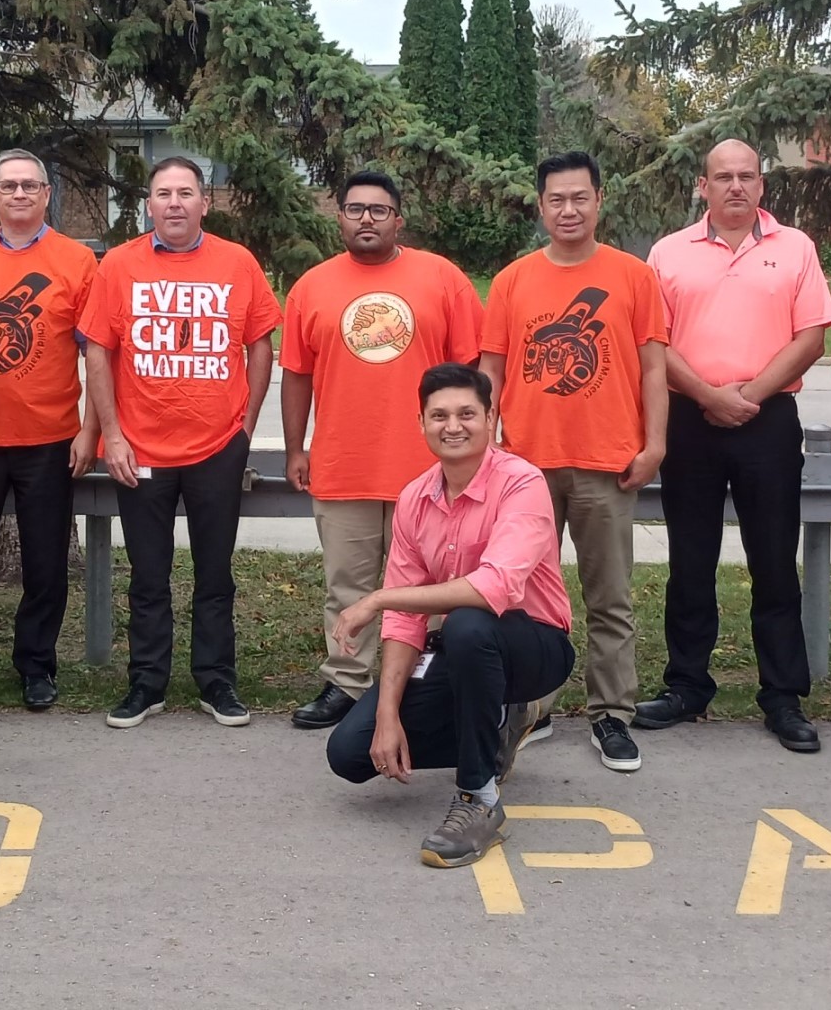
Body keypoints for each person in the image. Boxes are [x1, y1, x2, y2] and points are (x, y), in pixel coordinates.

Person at [325, 364, 575, 869]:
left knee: (467, 622)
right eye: (438, 415)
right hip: (466, 653)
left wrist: (377, 599)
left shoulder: (522, 483)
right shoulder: (416, 498)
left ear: (491, 418)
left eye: (466, 413)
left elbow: (494, 587)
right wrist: (388, 715)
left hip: (537, 648)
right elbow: (404, 622)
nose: (452, 425)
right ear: (421, 423)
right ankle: (499, 722)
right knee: (350, 753)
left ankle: (478, 798)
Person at [635, 139, 831, 753]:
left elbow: (811, 339)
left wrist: (746, 395)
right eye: (722, 177)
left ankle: (782, 696)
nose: (735, 187)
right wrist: (709, 396)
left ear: (762, 185)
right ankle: (687, 687)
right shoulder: (668, 253)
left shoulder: (795, 248)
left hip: (768, 419)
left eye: (746, 176)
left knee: (774, 561)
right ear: (703, 186)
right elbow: (653, 345)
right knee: (690, 562)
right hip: (691, 420)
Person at [479, 151, 667, 774]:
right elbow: (492, 371)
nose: (568, 210)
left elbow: (653, 369)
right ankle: (532, 707)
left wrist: (655, 444)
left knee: (609, 596)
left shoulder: (634, 277)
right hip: (525, 467)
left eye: (579, 197)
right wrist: (488, 448)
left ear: (599, 199)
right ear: (541, 205)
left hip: (607, 461)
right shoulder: (512, 281)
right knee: (522, 598)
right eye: (557, 199)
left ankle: (611, 712)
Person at [81, 156, 283, 730]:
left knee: (214, 574)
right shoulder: (118, 265)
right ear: (148, 204)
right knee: (149, 575)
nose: (174, 203)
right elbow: (98, 350)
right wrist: (112, 435)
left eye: (185, 193)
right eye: (163, 193)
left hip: (217, 446)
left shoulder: (237, 263)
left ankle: (217, 682)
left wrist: (244, 428)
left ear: (205, 203)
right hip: (139, 450)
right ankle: (146, 684)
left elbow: (260, 343)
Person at [281, 171, 483, 730]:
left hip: (430, 471)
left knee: (432, 589)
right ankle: (347, 682)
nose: (366, 218)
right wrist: (296, 447)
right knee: (347, 584)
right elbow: (296, 375)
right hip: (345, 464)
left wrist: (470, 453)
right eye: (354, 209)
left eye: (378, 209)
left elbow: (471, 374)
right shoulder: (311, 287)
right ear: (339, 217)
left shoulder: (442, 279)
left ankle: (432, 685)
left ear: (399, 218)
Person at [0, 149, 99, 709]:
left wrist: (91, 431)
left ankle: (36, 665)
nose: (20, 194)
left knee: (46, 563)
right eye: (9, 186)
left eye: (31, 185)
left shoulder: (77, 261)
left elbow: (97, 355)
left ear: (47, 194)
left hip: (51, 438)